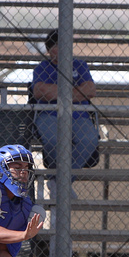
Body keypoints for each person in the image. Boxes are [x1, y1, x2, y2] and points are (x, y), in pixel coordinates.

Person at [31, 28, 99, 197]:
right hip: (49, 114)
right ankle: (60, 182)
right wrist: (75, 91)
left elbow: (90, 90)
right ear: (48, 50)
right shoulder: (42, 68)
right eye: (56, 47)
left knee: (89, 140)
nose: (61, 50)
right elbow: (40, 91)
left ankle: (59, 181)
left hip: (78, 115)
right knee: (53, 139)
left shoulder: (79, 65)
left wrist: (57, 92)